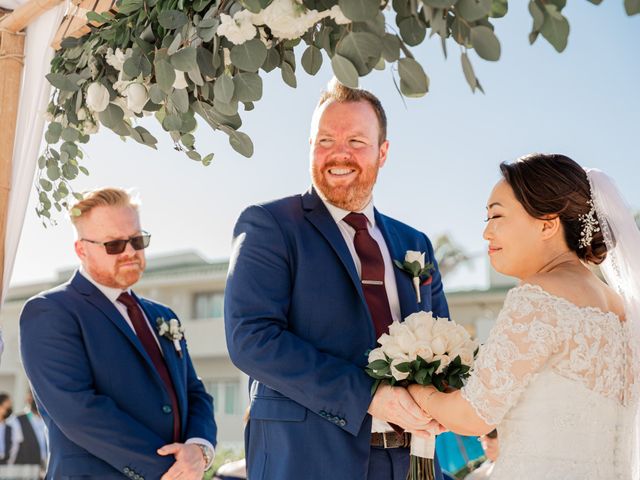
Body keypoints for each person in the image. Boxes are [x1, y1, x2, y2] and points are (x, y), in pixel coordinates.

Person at [224, 80, 448, 480]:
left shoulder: (415, 244)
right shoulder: (270, 225)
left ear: (383, 153)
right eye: (325, 139)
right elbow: (251, 339)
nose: (339, 153)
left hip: (410, 462)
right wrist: (369, 396)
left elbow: (442, 342)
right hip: (305, 462)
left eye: (357, 141)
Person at [408, 154, 640, 479]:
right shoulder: (622, 309)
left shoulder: (538, 297)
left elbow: (474, 415)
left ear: (547, 224)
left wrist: (415, 391)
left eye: (497, 216)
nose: (487, 233)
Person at [20, 188, 217, 480]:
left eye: (137, 240)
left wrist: (199, 450)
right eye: (114, 244)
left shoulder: (163, 315)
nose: (130, 252)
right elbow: (79, 412)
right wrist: (172, 471)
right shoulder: (50, 312)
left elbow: (194, 393)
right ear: (81, 250)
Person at [12, 390, 47, 477]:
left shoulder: (48, 420)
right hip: (25, 472)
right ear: (28, 399)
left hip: (46, 469)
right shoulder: (16, 420)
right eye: (33, 397)